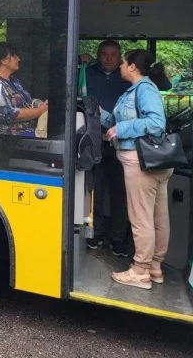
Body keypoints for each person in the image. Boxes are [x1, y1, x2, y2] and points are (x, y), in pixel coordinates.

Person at [100, 49, 170, 290]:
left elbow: (156, 123)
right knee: (157, 217)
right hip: (150, 163)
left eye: (123, 62)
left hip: (140, 162)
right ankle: (155, 267)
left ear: (132, 66)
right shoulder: (135, 90)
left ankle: (140, 270)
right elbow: (117, 121)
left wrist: (122, 129)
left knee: (141, 218)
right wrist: (100, 115)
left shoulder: (144, 89)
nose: (119, 66)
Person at [84, 40, 130, 256]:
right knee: (95, 191)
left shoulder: (128, 76)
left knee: (120, 193)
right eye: (104, 54)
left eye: (113, 54)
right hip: (93, 140)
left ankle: (118, 238)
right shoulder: (87, 73)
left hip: (122, 143)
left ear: (120, 57)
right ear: (97, 54)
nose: (108, 58)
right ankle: (95, 234)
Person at [0, 42, 48, 137]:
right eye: (14, 56)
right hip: (13, 139)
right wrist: (40, 111)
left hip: (30, 132)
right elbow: (8, 114)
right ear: (4, 60)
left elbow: (27, 101)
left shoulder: (13, 80)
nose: (19, 59)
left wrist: (40, 104)